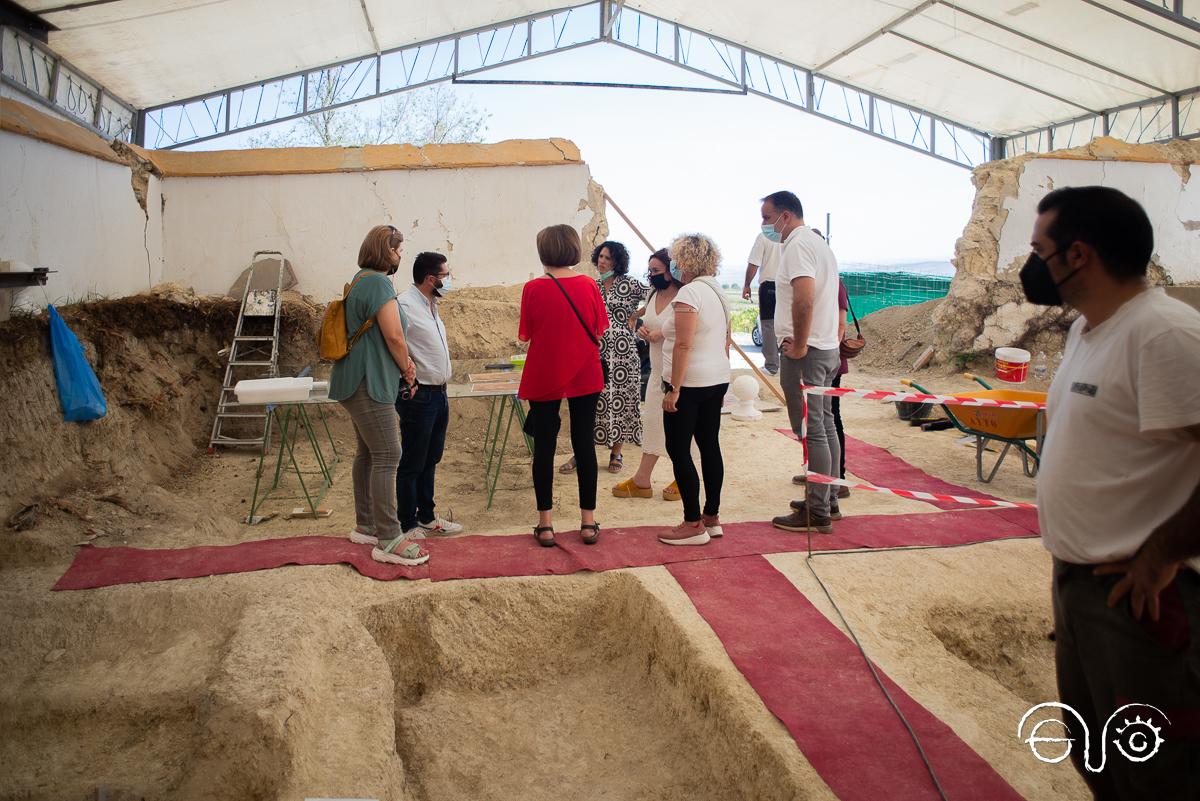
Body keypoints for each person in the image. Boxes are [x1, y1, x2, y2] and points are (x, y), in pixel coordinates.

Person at [1026, 186, 1199, 801]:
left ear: (1078, 255)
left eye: (1039, 249)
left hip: (1142, 597)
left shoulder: (1164, 336)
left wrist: (1161, 554)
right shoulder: (1089, 329)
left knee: (1157, 773)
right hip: (1081, 582)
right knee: (1100, 759)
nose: (1031, 263)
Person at [329, 225, 428, 566]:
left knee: (368, 454)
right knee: (389, 452)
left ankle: (366, 524)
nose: (401, 256)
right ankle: (388, 537)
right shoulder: (378, 283)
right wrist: (408, 368)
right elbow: (395, 337)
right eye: (398, 250)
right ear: (386, 250)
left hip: (355, 379)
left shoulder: (360, 279)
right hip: (368, 381)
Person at [518, 224, 608, 547]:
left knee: (544, 447)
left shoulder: (532, 289)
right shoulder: (589, 285)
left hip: (545, 371)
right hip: (585, 371)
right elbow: (599, 330)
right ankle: (587, 522)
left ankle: (545, 524)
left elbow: (526, 334)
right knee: (584, 444)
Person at [758, 191, 842, 534]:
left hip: (808, 352)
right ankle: (827, 497)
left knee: (813, 430)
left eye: (767, 217)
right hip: (822, 348)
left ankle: (818, 509)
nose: (764, 225)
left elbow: (804, 298)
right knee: (824, 424)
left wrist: (800, 345)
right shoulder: (818, 245)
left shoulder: (797, 246)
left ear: (786, 215)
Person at [658, 234, 731, 546]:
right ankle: (711, 516)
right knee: (709, 444)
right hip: (716, 377)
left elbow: (684, 344)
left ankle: (691, 522)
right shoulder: (718, 292)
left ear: (684, 261)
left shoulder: (690, 293)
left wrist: (674, 388)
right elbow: (724, 340)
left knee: (678, 449)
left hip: (690, 382)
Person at [560, 241, 647, 475]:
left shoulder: (630, 284)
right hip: (595, 353)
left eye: (608, 258)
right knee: (590, 403)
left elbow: (656, 295)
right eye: (601, 256)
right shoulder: (592, 285)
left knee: (619, 401)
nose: (602, 261)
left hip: (623, 355)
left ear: (617, 261)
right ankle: (581, 453)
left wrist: (636, 315)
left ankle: (616, 453)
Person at [611, 249, 691, 502]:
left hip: (679, 372)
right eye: (649, 271)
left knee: (683, 429)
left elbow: (688, 331)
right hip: (657, 371)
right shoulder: (653, 292)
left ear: (671, 270)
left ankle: (684, 477)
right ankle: (642, 480)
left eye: (656, 271)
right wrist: (640, 325)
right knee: (654, 423)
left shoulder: (686, 295)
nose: (651, 275)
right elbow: (647, 315)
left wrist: (663, 335)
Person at [393, 251, 463, 538]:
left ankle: (427, 516)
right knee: (412, 461)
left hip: (440, 394)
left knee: (430, 458)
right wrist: (406, 377)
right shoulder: (405, 305)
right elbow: (393, 342)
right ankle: (407, 522)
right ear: (429, 279)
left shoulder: (431, 304)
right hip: (419, 396)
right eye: (445, 276)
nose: (448, 280)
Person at [742, 231, 780, 375]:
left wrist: (746, 284)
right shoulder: (792, 234)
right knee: (789, 324)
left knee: (769, 326)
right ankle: (789, 363)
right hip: (790, 285)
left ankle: (772, 366)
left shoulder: (765, 236)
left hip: (770, 285)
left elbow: (754, 263)